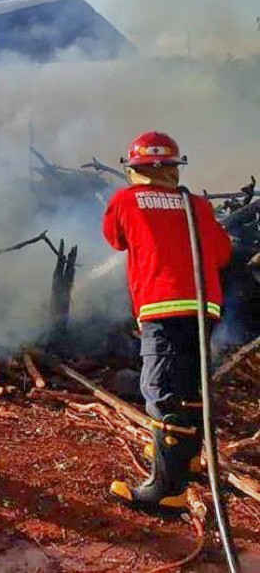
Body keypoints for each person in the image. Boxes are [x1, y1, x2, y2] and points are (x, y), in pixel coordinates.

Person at [102, 131, 232, 510]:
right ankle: (186, 457)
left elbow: (114, 239)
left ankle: (167, 489)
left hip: (162, 307)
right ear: (174, 169)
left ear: (135, 169)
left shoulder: (125, 201)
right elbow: (223, 254)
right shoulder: (197, 206)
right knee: (190, 385)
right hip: (204, 309)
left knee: (161, 390)